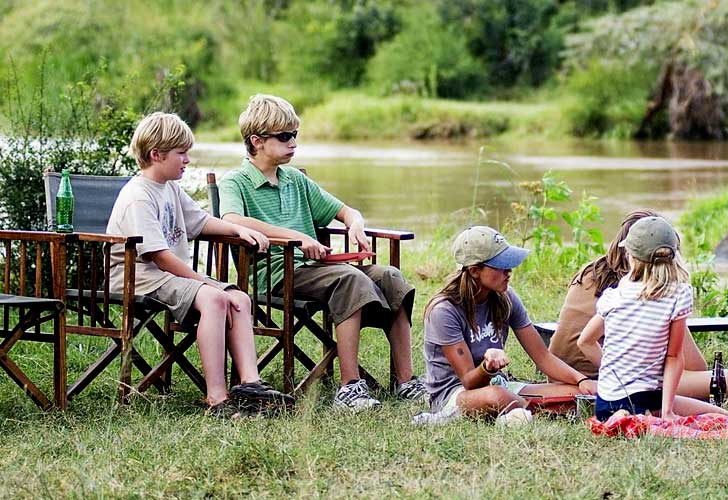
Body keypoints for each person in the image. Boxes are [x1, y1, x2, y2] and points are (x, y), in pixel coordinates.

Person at [217, 94, 419, 410]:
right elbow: (231, 220)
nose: (293, 142)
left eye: (294, 134)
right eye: (284, 136)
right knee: (349, 279)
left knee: (390, 276)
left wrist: (356, 225)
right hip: (278, 273)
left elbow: (346, 210)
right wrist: (296, 236)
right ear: (257, 140)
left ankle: (405, 381)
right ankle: (349, 388)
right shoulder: (236, 181)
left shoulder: (295, 179)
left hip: (317, 268)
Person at [107, 112, 294, 418]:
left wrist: (237, 229)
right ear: (157, 154)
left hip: (164, 276)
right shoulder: (139, 196)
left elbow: (201, 221)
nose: (188, 160)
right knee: (215, 297)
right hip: (134, 276)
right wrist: (203, 282)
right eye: (181, 153)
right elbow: (158, 255)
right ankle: (217, 399)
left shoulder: (169, 188)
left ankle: (251, 386)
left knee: (239, 298)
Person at [549, 210, 728, 400]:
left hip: (560, 374)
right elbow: (696, 367)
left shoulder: (591, 271)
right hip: (608, 381)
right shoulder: (643, 289)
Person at [418, 226, 598, 425]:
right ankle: (531, 411)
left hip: (501, 385)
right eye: (500, 265)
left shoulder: (506, 297)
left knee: (580, 393)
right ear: (475, 271)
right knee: (497, 397)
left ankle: (520, 411)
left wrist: (582, 380)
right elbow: (469, 381)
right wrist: (487, 368)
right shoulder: (444, 310)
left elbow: (543, 357)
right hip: (455, 393)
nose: (509, 271)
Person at [577, 216, 728, 421]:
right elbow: (674, 357)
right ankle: (642, 415)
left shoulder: (614, 297)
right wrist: (668, 412)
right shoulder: (678, 296)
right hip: (647, 398)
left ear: (631, 257)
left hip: (605, 402)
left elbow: (584, 342)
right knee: (722, 416)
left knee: (632, 410)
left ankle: (624, 417)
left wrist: (614, 374)